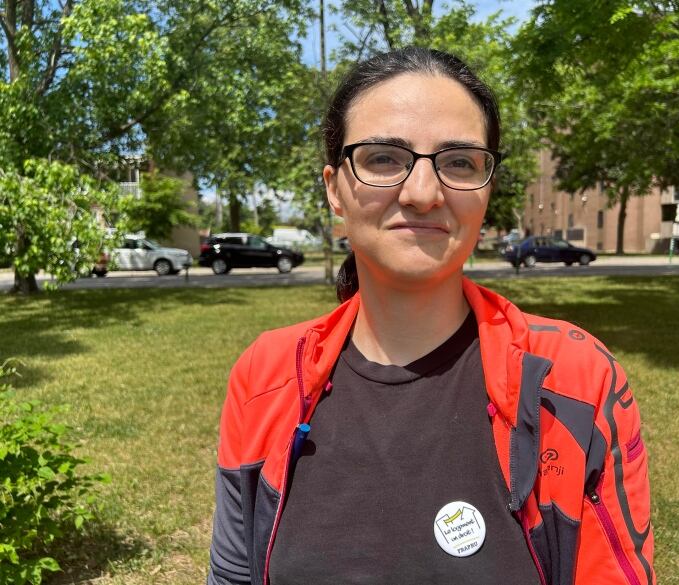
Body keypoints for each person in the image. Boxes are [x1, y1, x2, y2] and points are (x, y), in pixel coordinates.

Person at [207, 47, 654, 585]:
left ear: (485, 193)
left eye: (459, 162)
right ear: (334, 190)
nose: (423, 193)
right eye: (383, 158)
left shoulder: (575, 380)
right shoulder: (265, 375)